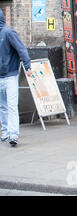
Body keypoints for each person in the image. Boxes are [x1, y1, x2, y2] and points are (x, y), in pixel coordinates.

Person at [0, 8, 32, 147]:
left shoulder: (8, 32)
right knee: (2, 106)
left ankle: (13, 135)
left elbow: (21, 49)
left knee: (11, 105)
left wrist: (28, 66)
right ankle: (5, 132)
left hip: (10, 75)